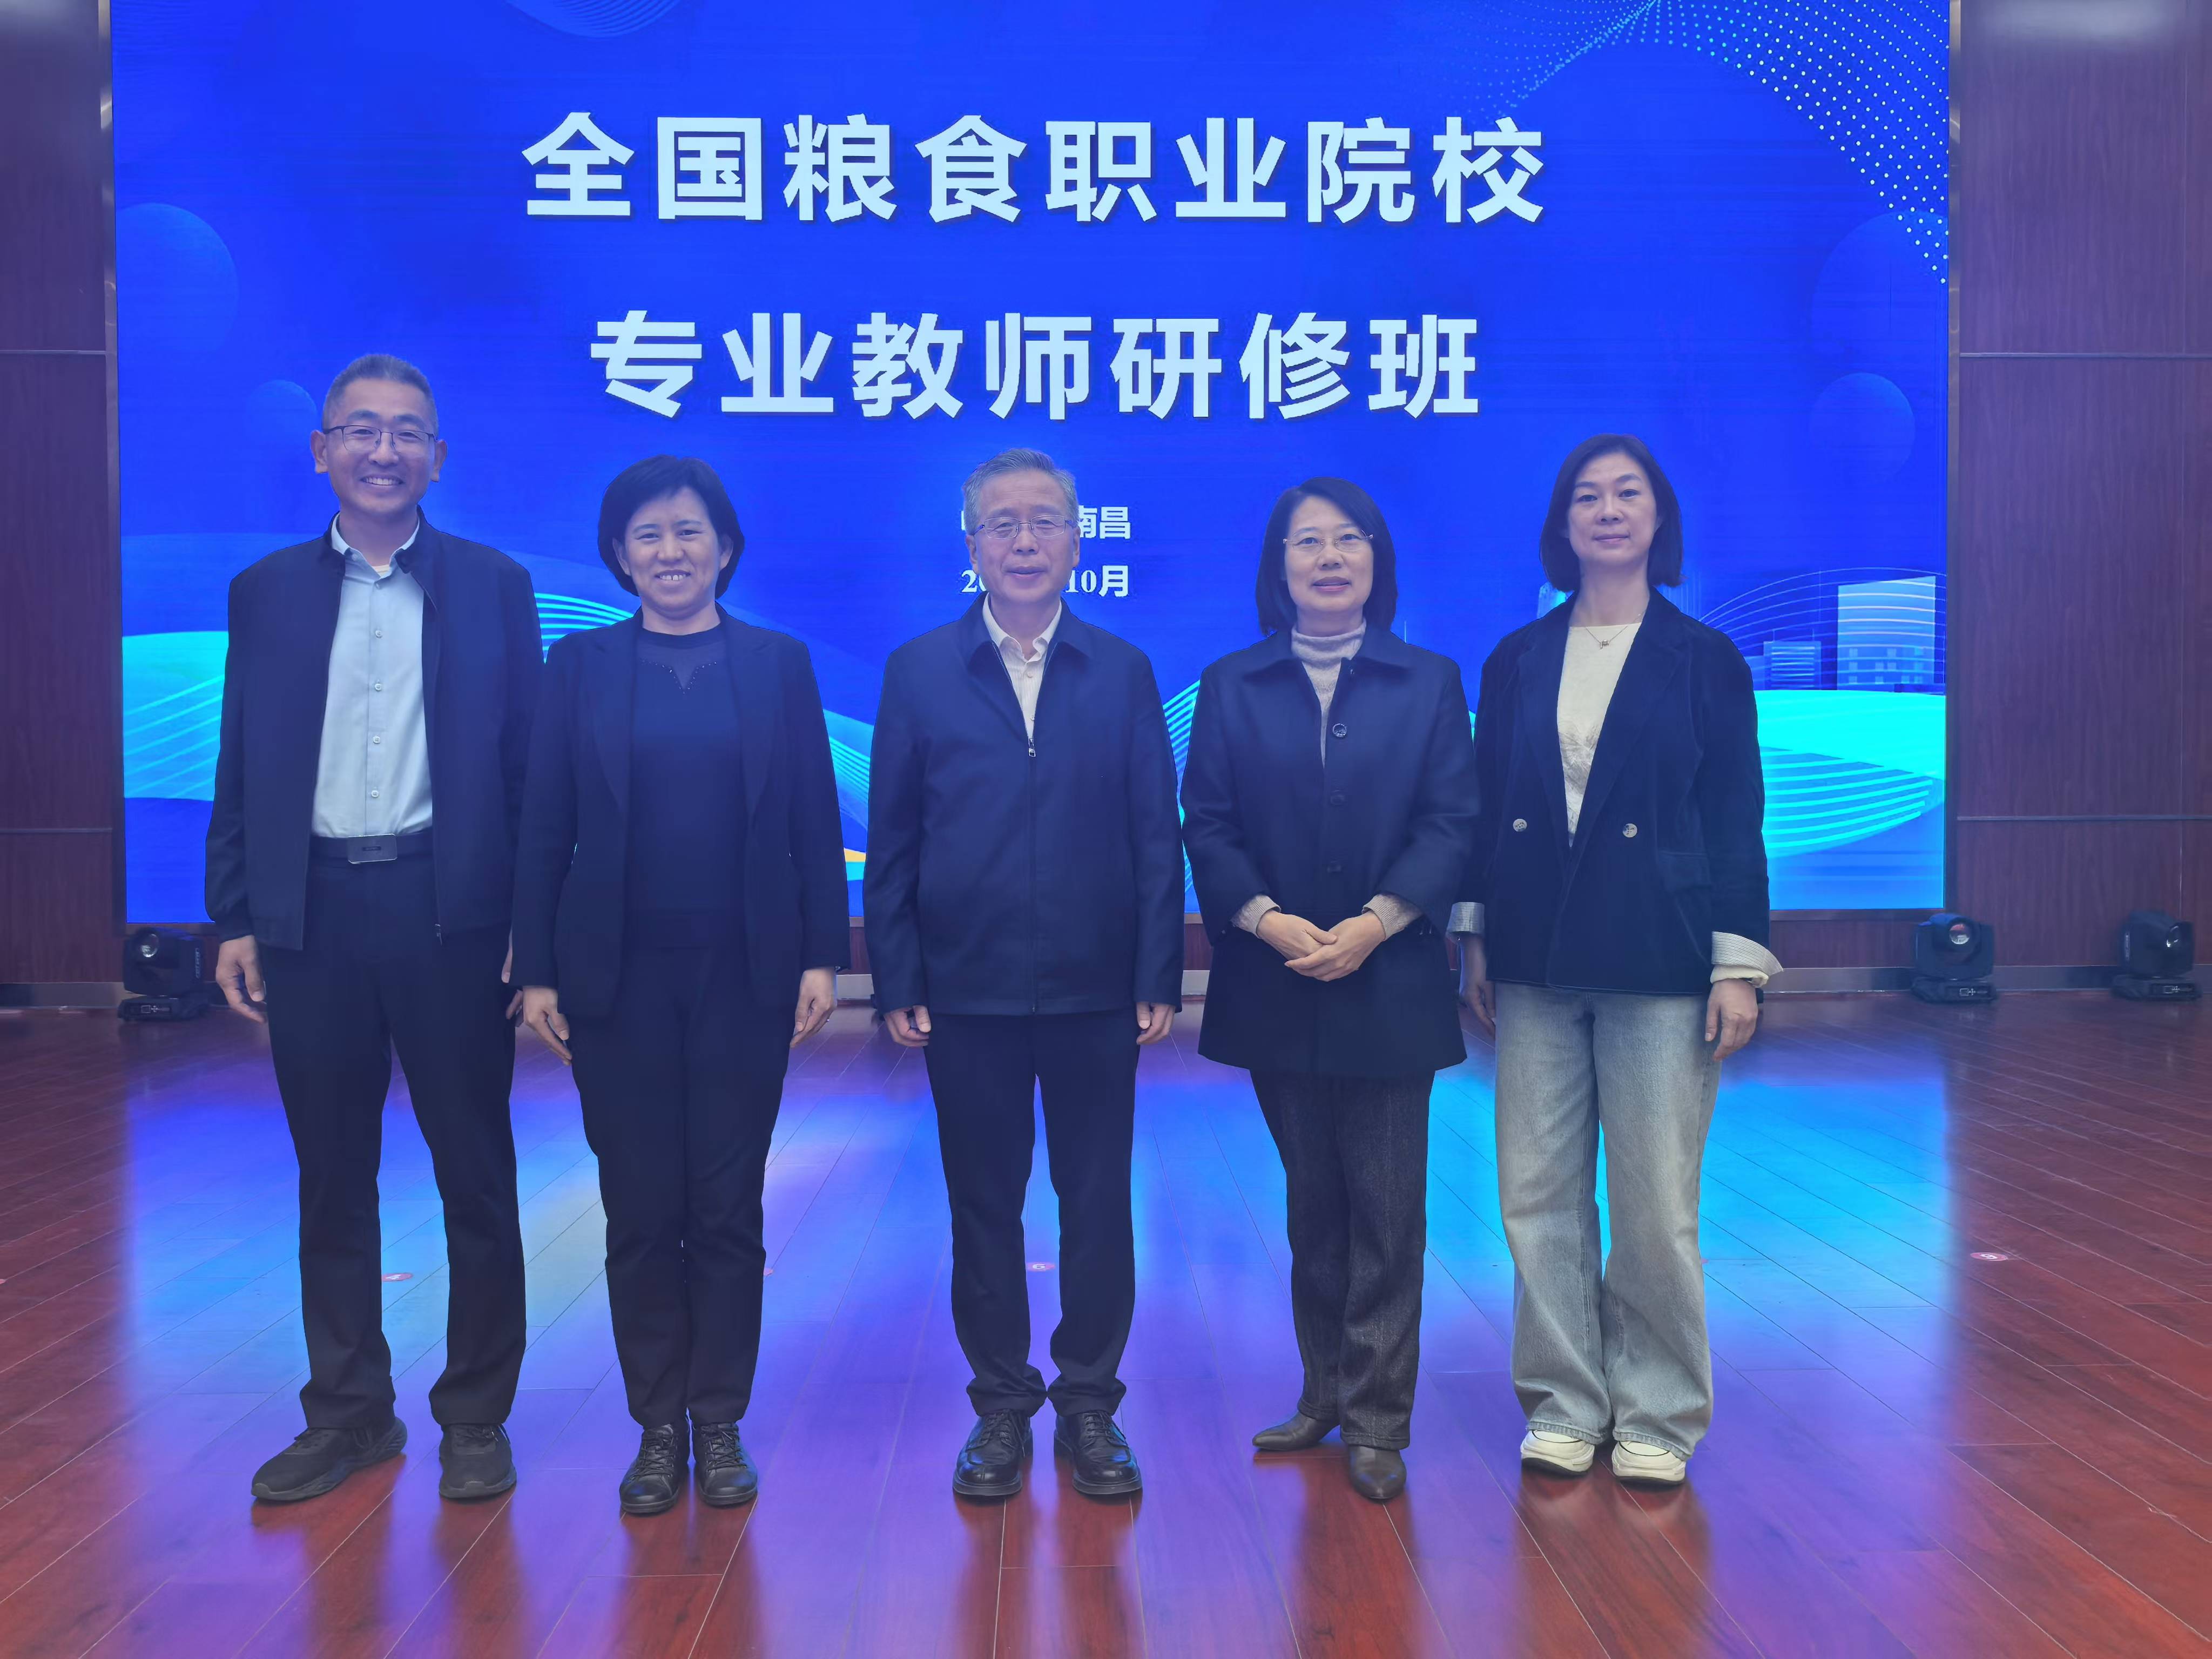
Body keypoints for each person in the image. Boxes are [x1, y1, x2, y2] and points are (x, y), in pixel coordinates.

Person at [207, 354, 540, 1505]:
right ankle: (349, 1412)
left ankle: (476, 1414)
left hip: (451, 913)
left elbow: (529, 771)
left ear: (437, 459)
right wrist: (237, 912)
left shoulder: (494, 586)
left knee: (475, 1170)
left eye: (407, 433)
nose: (383, 451)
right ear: (321, 451)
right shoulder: (265, 592)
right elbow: (241, 756)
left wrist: (530, 923)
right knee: (332, 1175)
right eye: (361, 430)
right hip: (311, 912)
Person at [510, 456, 847, 1516]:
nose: (670, 551)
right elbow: (544, 824)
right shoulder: (579, 665)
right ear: (619, 555)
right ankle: (657, 1425)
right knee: (642, 1205)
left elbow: (812, 817)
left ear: (726, 548)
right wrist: (536, 969)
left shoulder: (778, 664)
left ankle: (720, 1417)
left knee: (728, 1203)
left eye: (689, 530)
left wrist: (822, 955)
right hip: (617, 982)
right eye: (647, 534)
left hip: (746, 975)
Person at [1456, 433, 1778, 1488]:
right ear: (1562, 525)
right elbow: (1484, 809)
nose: (1606, 510)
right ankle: (1563, 1402)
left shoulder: (1705, 659)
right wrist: (1474, 936)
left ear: (1657, 517)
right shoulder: (1515, 658)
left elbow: (1733, 817)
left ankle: (1658, 1413)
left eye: (1626, 493)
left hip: (1661, 955)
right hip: (1534, 956)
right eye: (1585, 496)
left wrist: (1737, 964)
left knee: (1653, 1206)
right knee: (1536, 1193)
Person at [865, 448, 1184, 1502]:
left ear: (1076, 541)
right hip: (968, 989)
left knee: (1096, 1203)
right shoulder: (919, 670)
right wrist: (898, 975)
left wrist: (1157, 968)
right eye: (1000, 523)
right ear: (971, 546)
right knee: (983, 1206)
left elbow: (1154, 834)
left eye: (1044, 520)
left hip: (1096, 987)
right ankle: (1001, 1405)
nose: (1022, 540)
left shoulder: (1123, 670)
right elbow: (894, 840)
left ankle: (1089, 1402)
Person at [1180, 478, 1478, 1503]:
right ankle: (1323, 1395)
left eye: (1349, 538)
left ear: (1376, 560)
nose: (1329, 557)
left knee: (1386, 1209)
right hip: (1278, 978)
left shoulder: (1428, 680)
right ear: (1280, 568)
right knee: (1314, 1203)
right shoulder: (1233, 682)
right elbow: (1208, 822)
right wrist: (1265, 919)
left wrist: (1377, 922)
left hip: (1388, 976)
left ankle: (1379, 1418)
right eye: (1307, 542)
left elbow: (1451, 822)